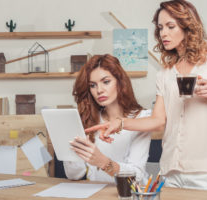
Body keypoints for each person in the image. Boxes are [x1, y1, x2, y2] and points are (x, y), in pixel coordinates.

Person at [85, 0, 207, 192]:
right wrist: (120, 123)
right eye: (160, 28)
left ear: (187, 26)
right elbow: (158, 121)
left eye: (170, 26)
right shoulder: (165, 73)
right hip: (171, 171)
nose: (163, 33)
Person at [63, 54, 151, 183]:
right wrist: (69, 148)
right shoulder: (89, 119)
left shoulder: (141, 118)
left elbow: (135, 177)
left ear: (120, 82)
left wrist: (103, 162)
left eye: (106, 82)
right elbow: (74, 175)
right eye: (92, 85)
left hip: (128, 195)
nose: (99, 90)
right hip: (96, 194)